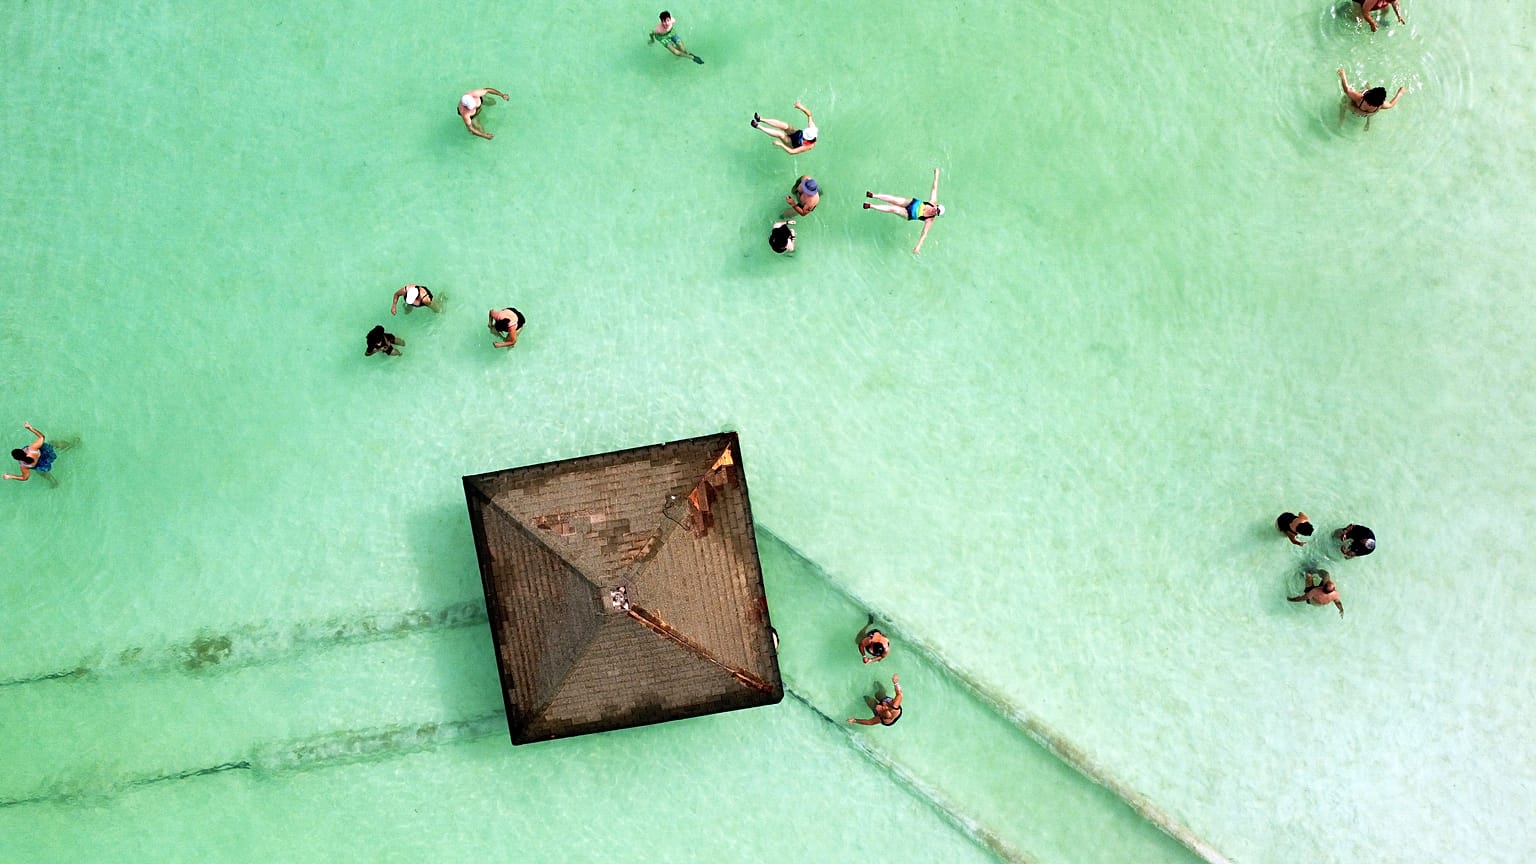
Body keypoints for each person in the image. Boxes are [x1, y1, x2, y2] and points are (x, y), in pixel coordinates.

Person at [863, 168, 946, 255]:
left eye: (937, 212)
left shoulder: (929, 220)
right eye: (936, 209)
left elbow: (924, 233)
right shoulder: (932, 202)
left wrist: (918, 246)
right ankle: (873, 195)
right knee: (893, 199)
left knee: (893, 209)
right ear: (936, 206)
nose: (935, 211)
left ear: (937, 214)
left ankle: (870, 206)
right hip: (911, 202)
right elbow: (934, 188)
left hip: (908, 214)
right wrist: (936, 174)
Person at [751, 102, 818, 155]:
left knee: (780, 134)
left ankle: (758, 126)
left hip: (793, 143)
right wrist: (801, 107)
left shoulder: (809, 146)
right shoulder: (813, 129)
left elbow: (792, 152)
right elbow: (809, 115)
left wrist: (781, 144)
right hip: (797, 133)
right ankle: (760, 119)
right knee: (784, 125)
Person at [1338, 69, 1403, 117]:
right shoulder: (1380, 105)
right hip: (1368, 114)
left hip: (1355, 109)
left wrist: (1343, 75)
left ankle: (1341, 118)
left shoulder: (1360, 98)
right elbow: (1391, 104)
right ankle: (1368, 121)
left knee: (1344, 101)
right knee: (1367, 86)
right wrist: (1400, 93)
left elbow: (1347, 89)